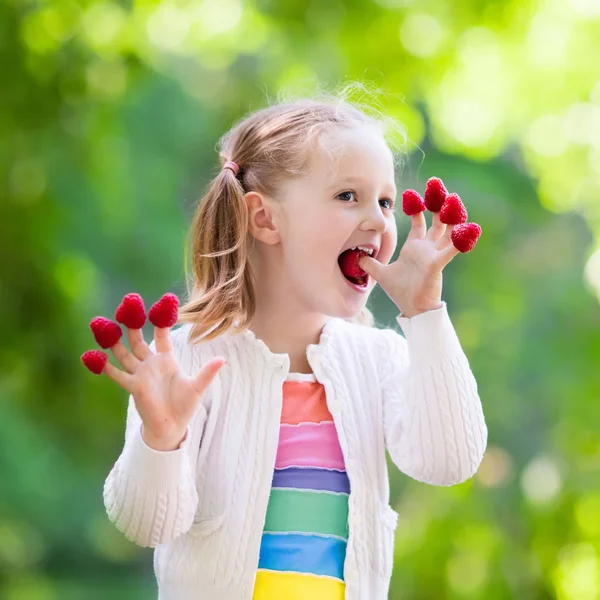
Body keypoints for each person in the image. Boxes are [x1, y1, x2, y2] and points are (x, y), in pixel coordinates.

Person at [100, 96, 488, 600]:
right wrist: (161, 440)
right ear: (264, 219)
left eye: (386, 202)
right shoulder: (190, 364)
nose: (376, 219)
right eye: (348, 195)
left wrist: (425, 314)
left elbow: (449, 460)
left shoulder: (378, 360)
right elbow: (145, 524)